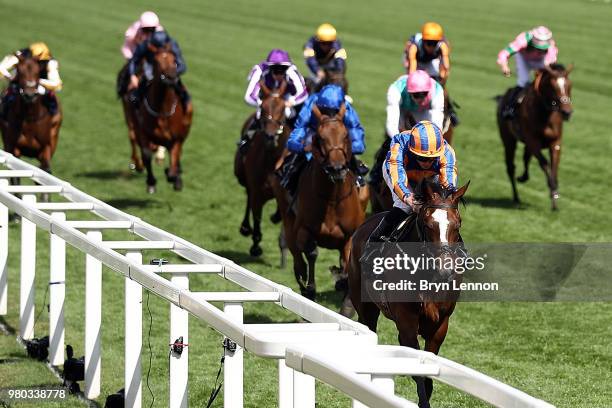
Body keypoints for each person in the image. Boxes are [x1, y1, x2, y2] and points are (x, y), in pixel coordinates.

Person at [363, 120, 458, 249]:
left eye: (431, 159)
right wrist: (409, 198)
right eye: (422, 158)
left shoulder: (447, 153)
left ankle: (460, 251)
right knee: (404, 206)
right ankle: (372, 246)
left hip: (429, 176)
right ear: (412, 151)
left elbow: (448, 184)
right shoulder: (399, 146)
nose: (426, 163)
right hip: (400, 173)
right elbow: (399, 180)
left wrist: (445, 200)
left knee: (443, 212)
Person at [279, 84, 367, 193]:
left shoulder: (347, 109)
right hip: (314, 134)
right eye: (325, 111)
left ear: (341, 107)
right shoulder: (309, 107)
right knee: (293, 167)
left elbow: (360, 145)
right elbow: (292, 141)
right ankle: (289, 182)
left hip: (338, 137)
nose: (330, 116)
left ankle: (358, 178)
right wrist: (304, 148)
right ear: (318, 106)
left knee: (358, 175)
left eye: (334, 112)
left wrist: (340, 149)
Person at [369, 70, 444, 189]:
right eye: (416, 95)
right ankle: (376, 175)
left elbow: (436, 127)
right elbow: (391, 125)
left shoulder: (438, 91)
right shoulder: (395, 90)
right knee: (391, 142)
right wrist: (401, 142)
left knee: (432, 145)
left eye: (424, 94)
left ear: (429, 91)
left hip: (425, 112)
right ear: (409, 93)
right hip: (403, 110)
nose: (420, 98)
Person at [239, 49, 308, 154]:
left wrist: (290, 102)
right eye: (275, 70)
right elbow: (249, 96)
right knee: (259, 115)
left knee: (291, 114)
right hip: (266, 98)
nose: (279, 74)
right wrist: (261, 103)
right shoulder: (259, 71)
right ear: (269, 67)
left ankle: (301, 143)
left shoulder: (292, 71)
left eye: (283, 69)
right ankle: (246, 139)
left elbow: (303, 93)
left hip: (287, 97)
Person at [497, 26, 558, 118]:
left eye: (542, 49)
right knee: (523, 81)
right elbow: (505, 53)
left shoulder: (551, 46)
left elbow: (550, 63)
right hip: (523, 59)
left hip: (541, 61)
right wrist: (504, 66)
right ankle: (510, 108)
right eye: (537, 48)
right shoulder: (523, 40)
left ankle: (555, 105)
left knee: (549, 83)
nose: (539, 50)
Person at [127, 30, 189, 108]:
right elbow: (134, 60)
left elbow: (182, 65)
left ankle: (186, 105)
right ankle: (136, 103)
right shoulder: (146, 44)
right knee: (135, 95)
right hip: (151, 68)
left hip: (170, 71)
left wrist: (172, 73)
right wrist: (132, 75)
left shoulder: (172, 44)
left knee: (184, 95)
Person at [0, 42, 62, 119]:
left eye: (40, 62)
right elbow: (1, 68)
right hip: (20, 81)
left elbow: (57, 85)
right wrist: (10, 77)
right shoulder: (21, 55)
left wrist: (38, 81)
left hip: (40, 85)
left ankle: (54, 118)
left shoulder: (51, 63)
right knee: (6, 97)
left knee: (49, 98)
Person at [117, 11, 164, 97]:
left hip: (151, 56)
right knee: (125, 72)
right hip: (134, 53)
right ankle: (123, 90)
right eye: (146, 30)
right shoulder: (133, 32)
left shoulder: (160, 33)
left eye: (152, 30)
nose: (149, 32)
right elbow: (127, 47)